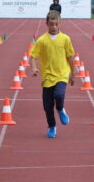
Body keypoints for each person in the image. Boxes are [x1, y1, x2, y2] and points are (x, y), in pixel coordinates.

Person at [30, 10, 75, 138]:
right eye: (51, 24)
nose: (54, 27)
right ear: (47, 24)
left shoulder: (66, 39)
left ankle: (60, 109)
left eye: (56, 24)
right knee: (47, 106)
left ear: (60, 23)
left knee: (59, 94)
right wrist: (33, 68)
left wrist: (73, 74)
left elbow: (70, 56)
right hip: (47, 76)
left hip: (62, 73)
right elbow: (33, 56)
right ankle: (52, 127)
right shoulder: (42, 40)